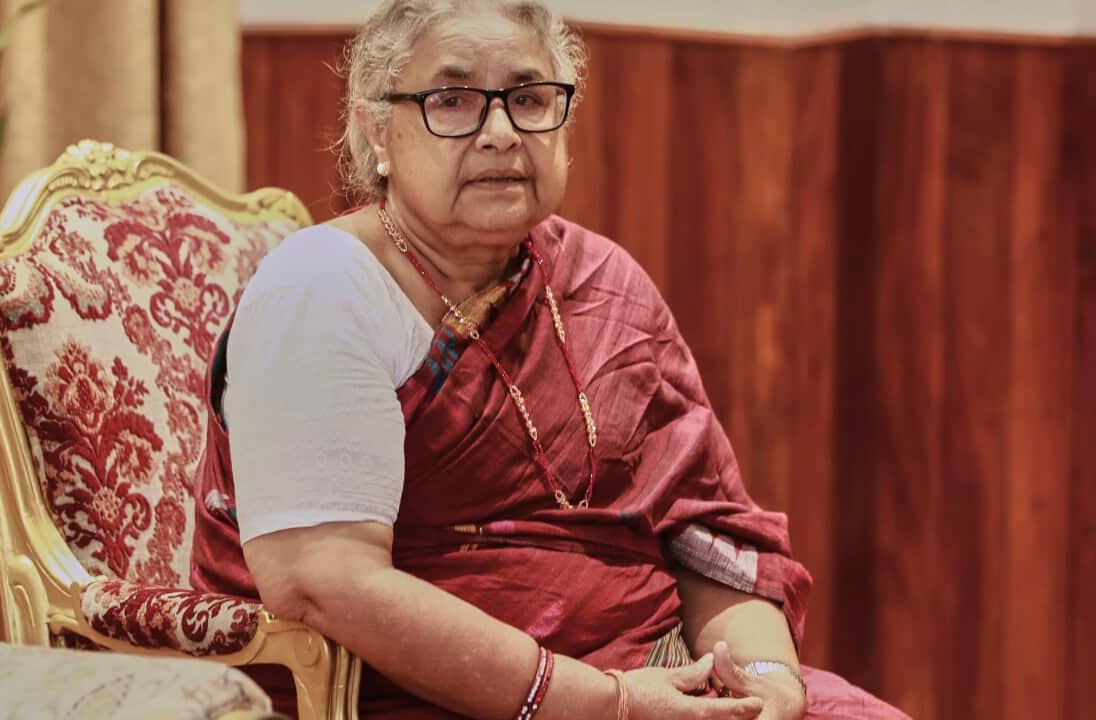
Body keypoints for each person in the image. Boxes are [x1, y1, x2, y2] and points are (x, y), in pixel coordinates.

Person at [191, 1, 909, 718]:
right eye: (453, 100)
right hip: (432, 700)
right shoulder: (322, 288)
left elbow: (708, 530)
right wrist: (609, 703)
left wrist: (766, 682)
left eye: (530, 100)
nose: (501, 133)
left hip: (662, 684)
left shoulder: (601, 282)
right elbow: (325, 582)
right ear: (377, 131)